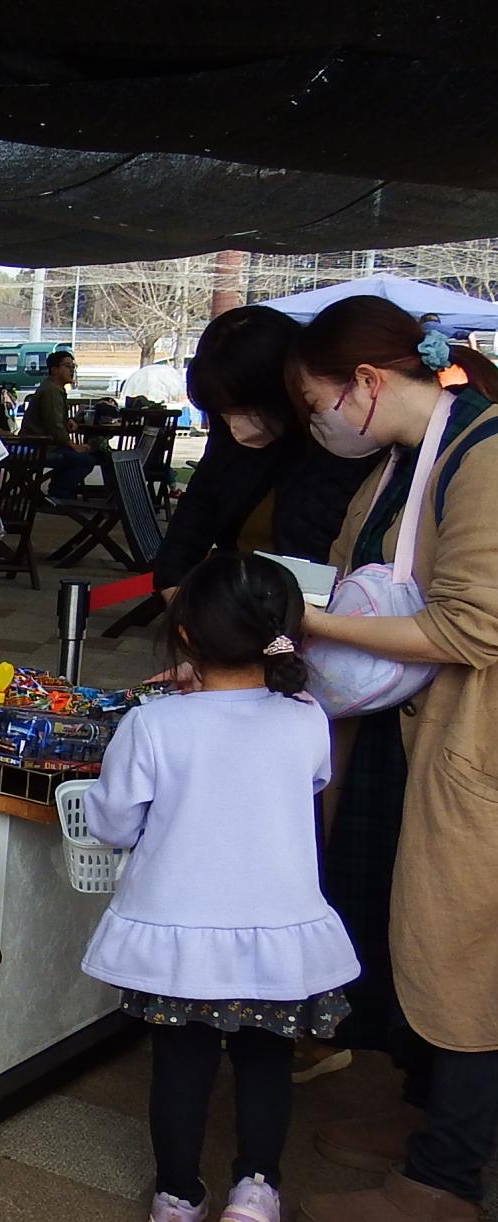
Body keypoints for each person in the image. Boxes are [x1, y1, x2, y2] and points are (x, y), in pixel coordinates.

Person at [284, 297, 498, 1222]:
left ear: (366, 383)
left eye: (313, 402)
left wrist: (302, 623)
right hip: (401, 735)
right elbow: (347, 568)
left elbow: (472, 624)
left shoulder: (484, 455)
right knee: (402, 918)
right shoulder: (406, 464)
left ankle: (446, 1179)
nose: (316, 424)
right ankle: (428, 1122)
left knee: (463, 949)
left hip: (468, 735)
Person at [80, 552, 359, 1222]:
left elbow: (114, 822)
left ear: (184, 636)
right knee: (266, 1060)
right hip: (279, 932)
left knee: (181, 1063)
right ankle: (256, 1190)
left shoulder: (153, 724)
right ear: (284, 630)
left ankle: (176, 1195)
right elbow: (307, 785)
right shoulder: (306, 718)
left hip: (178, 935)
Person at [152, 306, 382, 596]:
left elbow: (316, 546)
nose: (235, 423)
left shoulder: (340, 443)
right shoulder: (230, 443)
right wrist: (173, 587)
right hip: (243, 602)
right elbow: (197, 510)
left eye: (246, 408)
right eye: (223, 411)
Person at [18, 349, 98, 497]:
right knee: (86, 460)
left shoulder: (55, 388)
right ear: (54, 369)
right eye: (67, 366)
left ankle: (60, 490)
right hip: (39, 446)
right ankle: (58, 494)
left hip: (45, 444)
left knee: (85, 455)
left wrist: (67, 421)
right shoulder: (51, 391)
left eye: (73, 367)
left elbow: (55, 420)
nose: (71, 370)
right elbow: (54, 427)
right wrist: (74, 446)